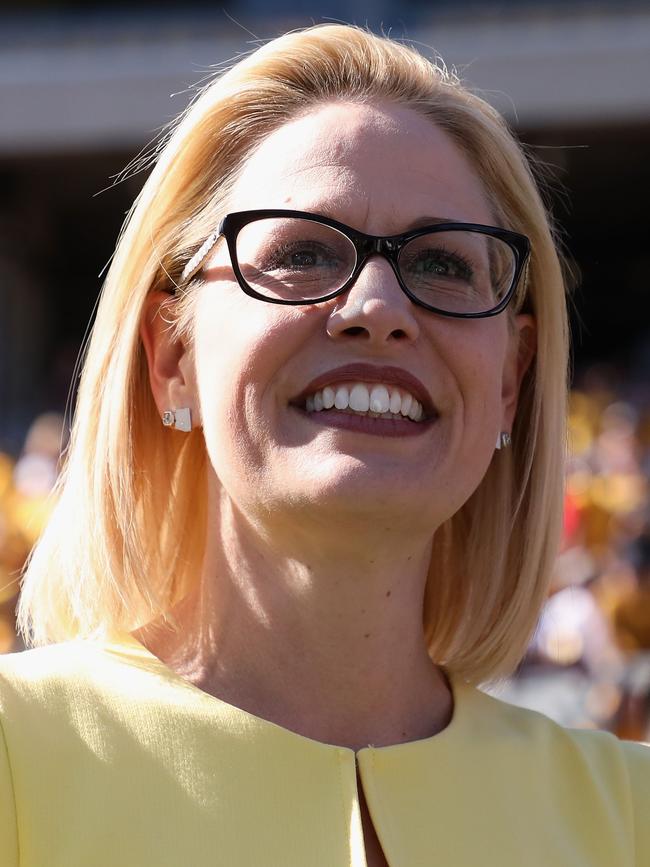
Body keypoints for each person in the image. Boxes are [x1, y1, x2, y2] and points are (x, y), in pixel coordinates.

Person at [1, 23, 648, 867]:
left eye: (445, 265)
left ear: (509, 383)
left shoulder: (629, 815)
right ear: (172, 358)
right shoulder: (19, 759)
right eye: (301, 251)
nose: (377, 306)